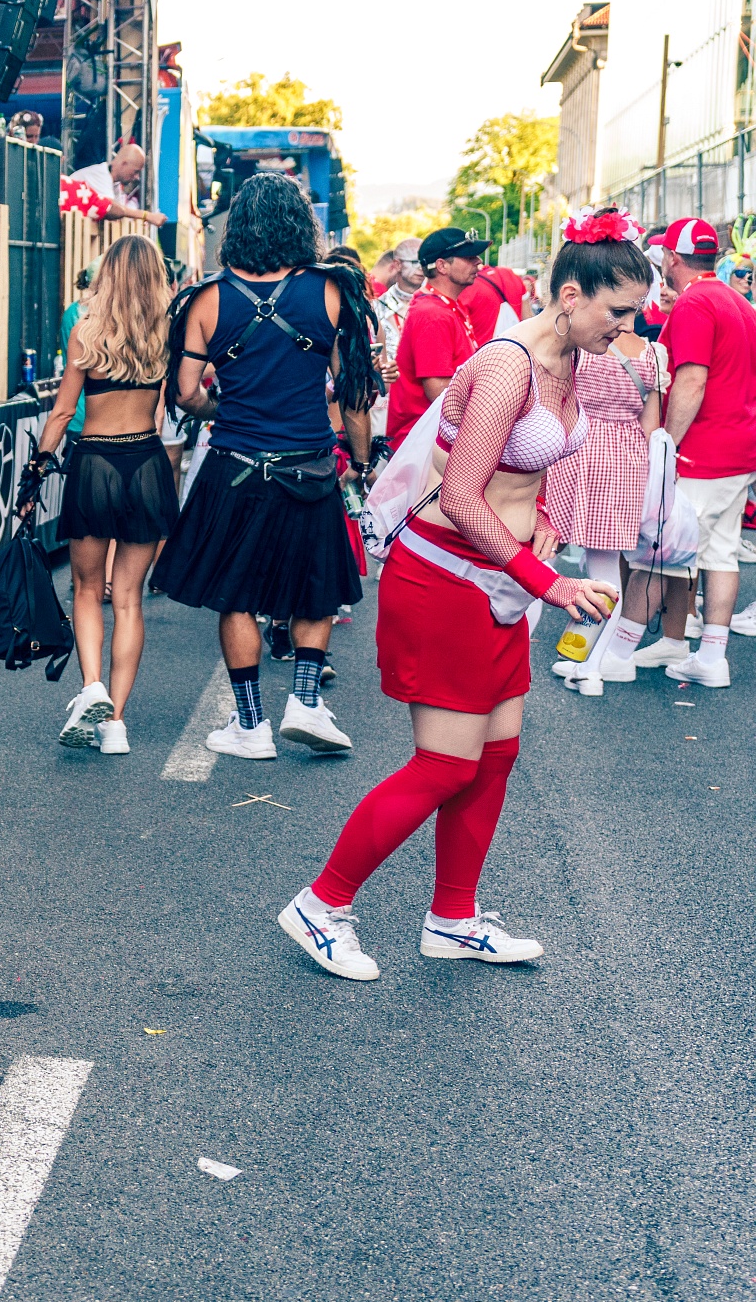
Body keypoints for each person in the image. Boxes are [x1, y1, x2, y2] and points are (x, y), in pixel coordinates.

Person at [276, 215, 644, 980]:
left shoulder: (570, 358)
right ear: (571, 295)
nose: (628, 325)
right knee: (444, 765)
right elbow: (466, 497)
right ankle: (320, 906)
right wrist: (550, 579)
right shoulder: (510, 365)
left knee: (495, 757)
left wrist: (541, 518)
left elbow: (519, 476)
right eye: (618, 311)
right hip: (446, 580)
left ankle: (453, 917)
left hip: (497, 582)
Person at [157, 173, 382, 759]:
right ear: (298, 225)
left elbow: (184, 392)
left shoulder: (206, 298)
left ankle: (251, 726)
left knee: (236, 595)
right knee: (316, 589)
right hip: (309, 467)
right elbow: (354, 392)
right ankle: (305, 702)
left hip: (233, 465)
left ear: (239, 227)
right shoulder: (331, 292)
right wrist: (360, 461)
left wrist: (220, 407)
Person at [28, 236, 178, 755]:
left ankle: (90, 685)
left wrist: (34, 471)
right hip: (148, 464)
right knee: (130, 598)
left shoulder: (86, 334)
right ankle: (115, 722)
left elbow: (63, 414)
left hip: (95, 464)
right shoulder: (168, 333)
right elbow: (184, 397)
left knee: (87, 590)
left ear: (107, 274)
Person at [629, 217, 756, 686]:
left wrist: (667, 444)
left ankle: (617, 653)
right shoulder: (734, 300)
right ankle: (709, 657)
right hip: (738, 447)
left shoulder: (696, 302)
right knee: (720, 552)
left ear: (672, 258)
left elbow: (692, 378)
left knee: (664, 550)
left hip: (703, 450)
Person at [542, 264, 669, 694]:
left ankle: (542, 657)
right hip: (626, 459)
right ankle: (591, 665)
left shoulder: (584, 345)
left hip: (573, 447)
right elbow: (652, 427)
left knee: (541, 551)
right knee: (605, 568)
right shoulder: (653, 354)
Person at [386, 235, 477, 460]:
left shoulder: (447, 306)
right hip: (425, 446)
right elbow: (438, 391)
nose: (478, 262)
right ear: (441, 265)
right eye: (468, 257)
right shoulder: (432, 314)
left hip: (436, 440)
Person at [66, 143, 170, 229]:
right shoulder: (98, 175)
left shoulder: (113, 183)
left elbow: (121, 215)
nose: (137, 177)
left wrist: (137, 221)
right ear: (124, 163)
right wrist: (147, 216)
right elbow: (112, 209)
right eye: (135, 171)